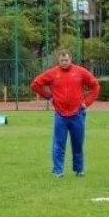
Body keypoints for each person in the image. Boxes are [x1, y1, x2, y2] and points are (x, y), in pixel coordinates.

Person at [30, 49, 100, 178]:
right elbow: (35, 84)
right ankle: (58, 171)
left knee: (78, 143)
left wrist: (87, 102)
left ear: (70, 59)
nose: (64, 62)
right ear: (58, 61)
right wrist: (49, 97)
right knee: (58, 144)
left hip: (77, 114)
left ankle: (79, 170)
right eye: (62, 60)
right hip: (60, 115)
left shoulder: (81, 72)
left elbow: (95, 86)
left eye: (66, 60)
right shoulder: (52, 73)